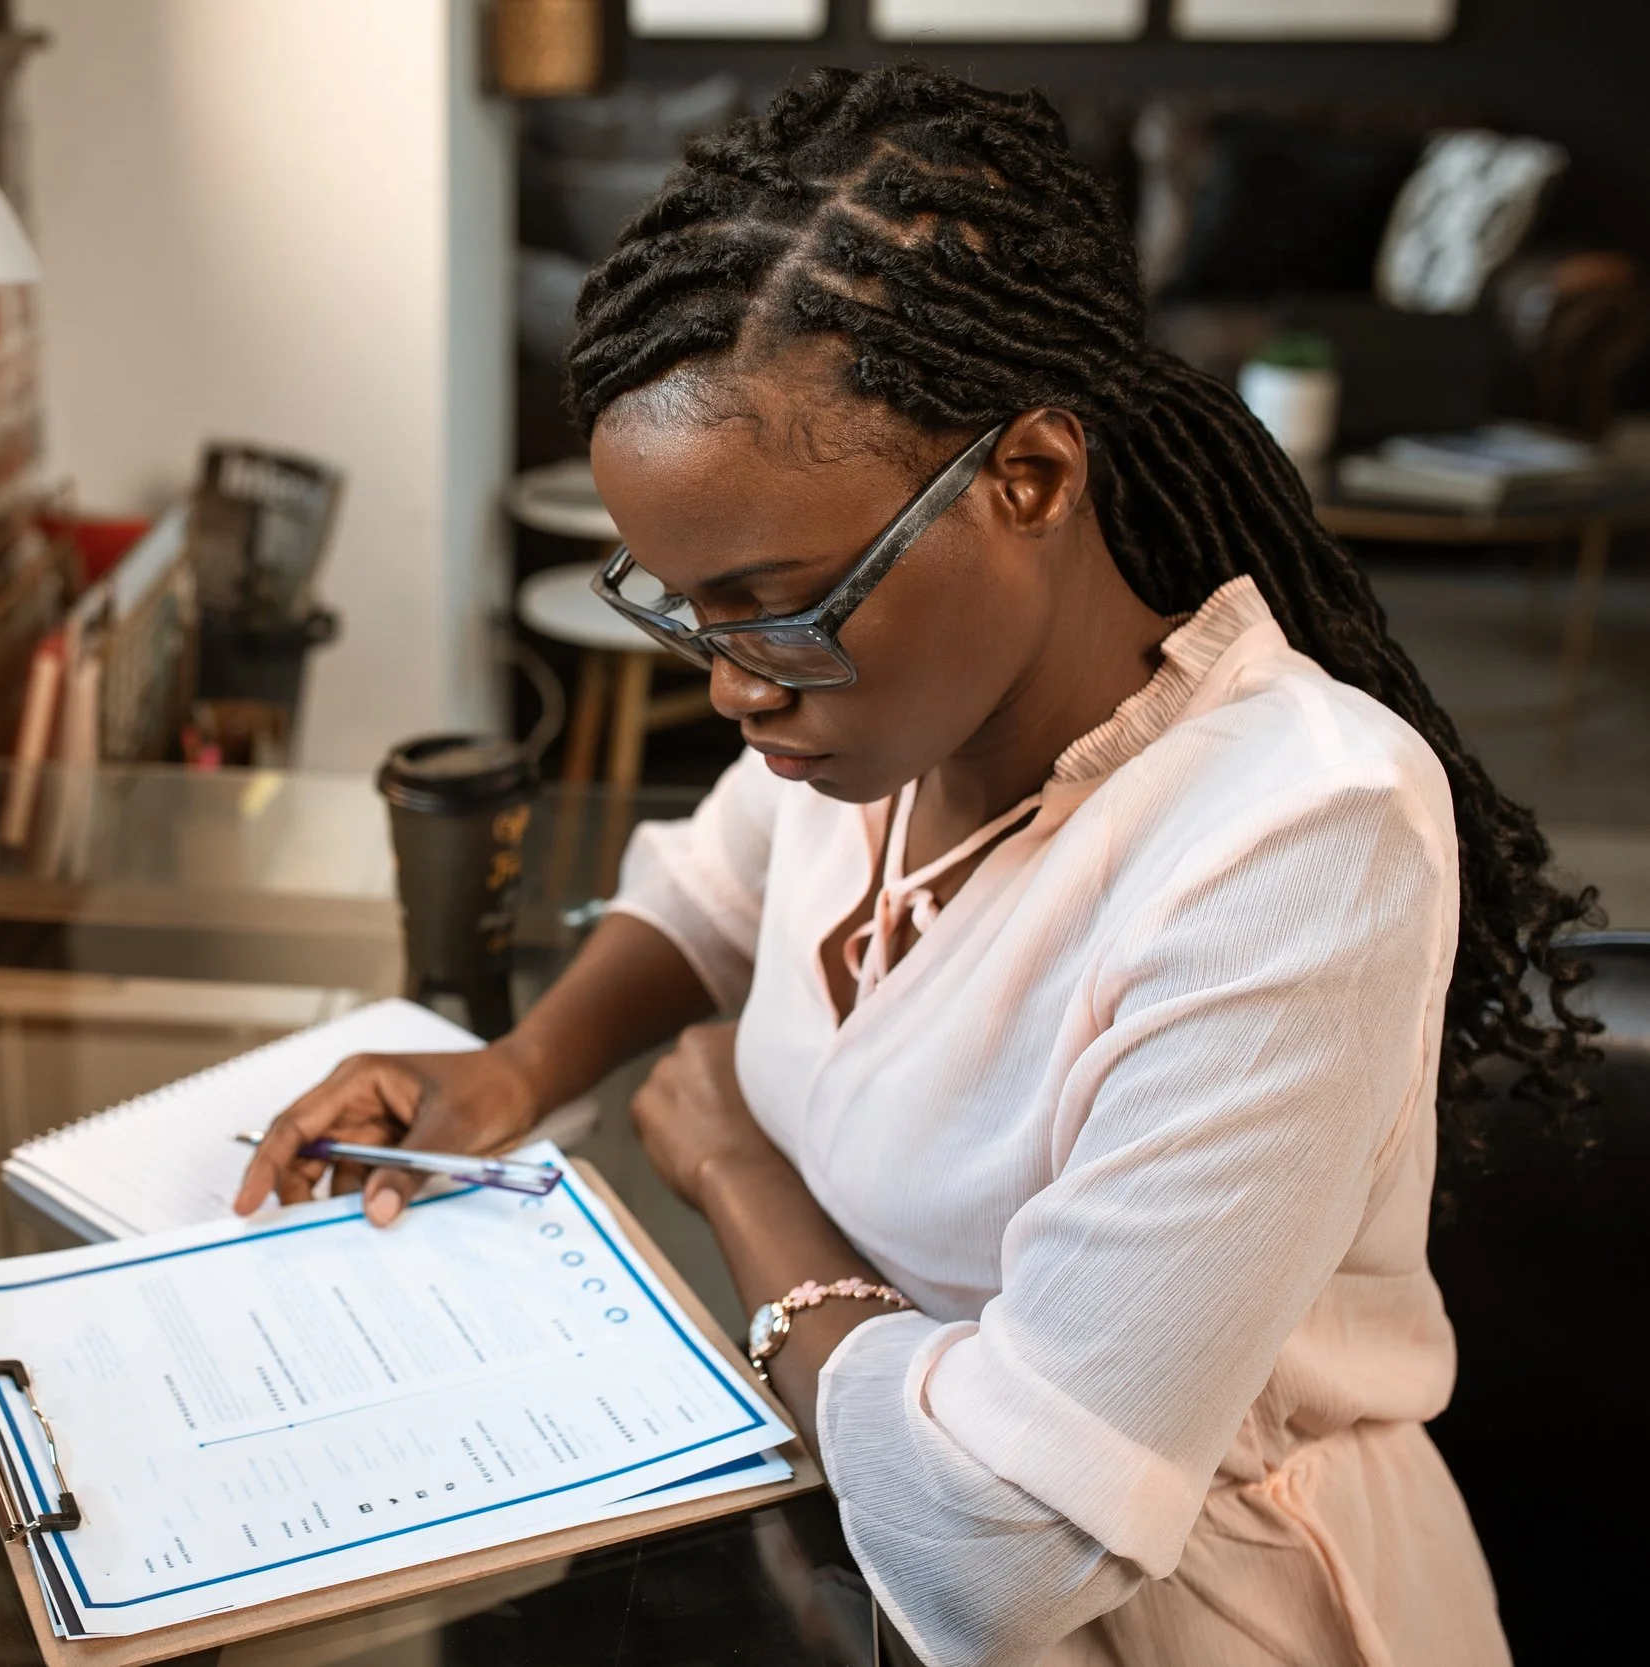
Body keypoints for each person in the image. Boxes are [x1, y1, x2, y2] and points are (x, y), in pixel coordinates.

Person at [236, 65, 1599, 1666]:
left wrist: (738, 1172)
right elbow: (710, 889)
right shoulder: (877, 723)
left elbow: (997, 1552)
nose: (733, 687)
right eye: (686, 609)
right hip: (843, 1551)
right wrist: (513, 1073)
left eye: (778, 605)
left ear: (1032, 477)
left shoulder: (1299, 841)